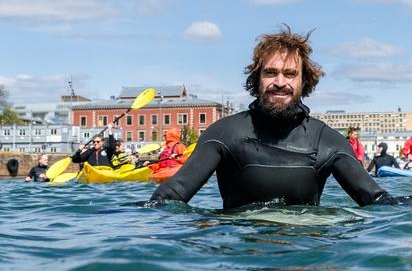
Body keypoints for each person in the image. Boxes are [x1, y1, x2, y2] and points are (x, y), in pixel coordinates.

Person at [150, 28, 397, 208]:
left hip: (305, 251)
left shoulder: (328, 142)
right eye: (270, 73)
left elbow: (378, 201)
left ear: (304, 82)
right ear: (257, 79)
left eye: (290, 74)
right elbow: (171, 196)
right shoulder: (224, 134)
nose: (280, 83)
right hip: (240, 253)